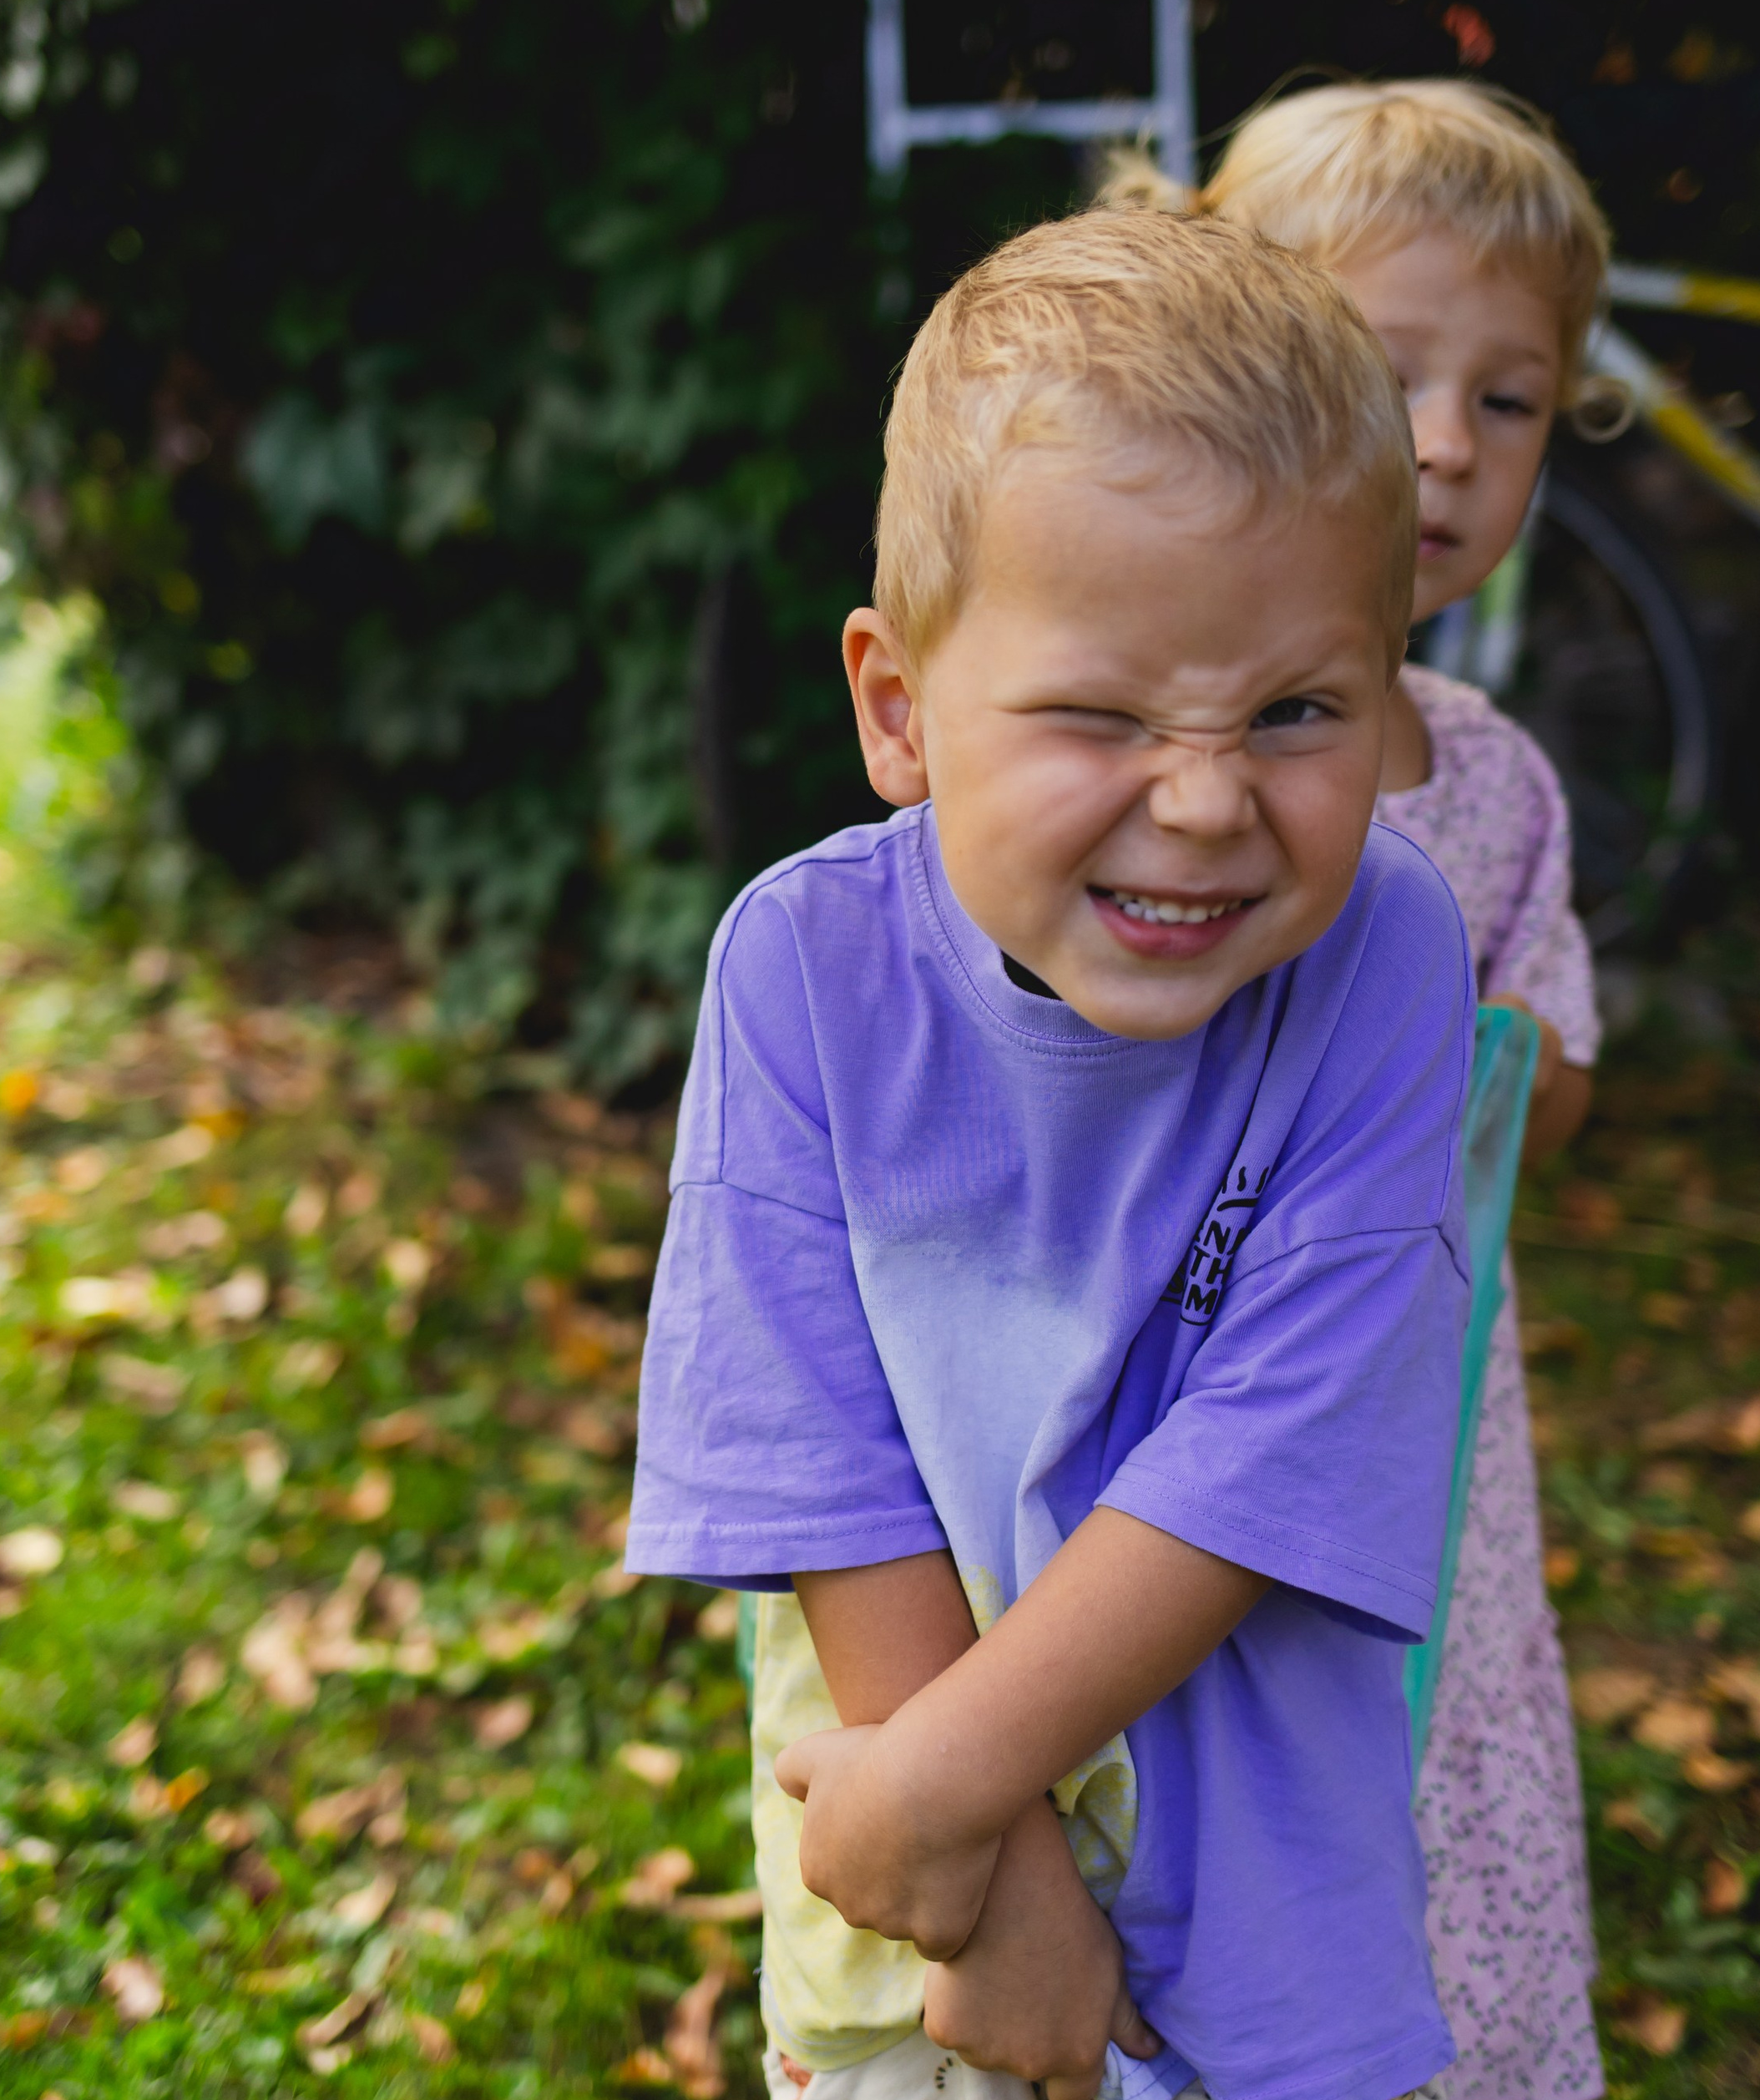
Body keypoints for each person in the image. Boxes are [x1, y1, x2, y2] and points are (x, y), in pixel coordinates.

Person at [627, 205, 1474, 2100]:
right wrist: (990, 1877)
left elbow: (1277, 1438)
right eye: (1097, 712)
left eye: (1296, 710)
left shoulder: (1384, 952)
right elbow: (808, 1450)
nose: (1201, 799)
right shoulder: (802, 968)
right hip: (907, 1933)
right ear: (896, 707)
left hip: (1251, 1937)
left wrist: (935, 1787)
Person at [1102, 79, 1609, 2100]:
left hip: (1408, 1433)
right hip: (1153, 1404)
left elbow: (1535, 1079)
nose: (1441, 445)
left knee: (1416, 1796)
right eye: (1382, 370)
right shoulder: (1138, 737)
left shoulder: (1487, 783)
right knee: (1158, 1823)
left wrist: (1500, 1060)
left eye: (1507, 400)